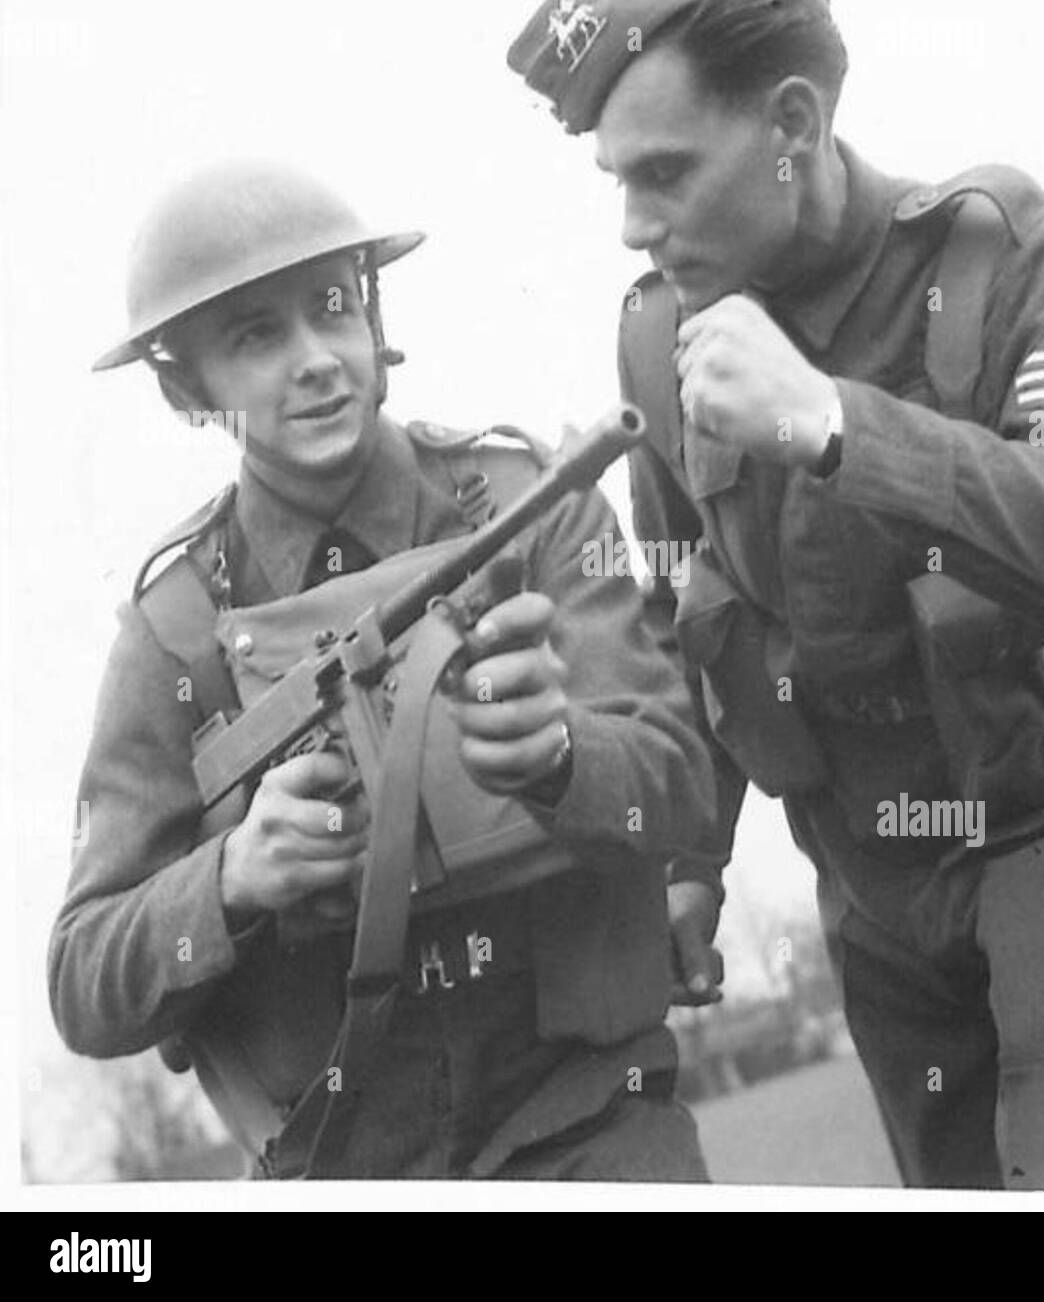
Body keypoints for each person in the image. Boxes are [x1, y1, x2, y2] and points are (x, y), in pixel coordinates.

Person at [507, 0, 1044, 1193]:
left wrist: (839, 428)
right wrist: (692, 868)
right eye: (617, 181)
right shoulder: (660, 341)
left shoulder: (1002, 256)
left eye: (665, 173)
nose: (633, 224)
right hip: (874, 877)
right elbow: (688, 610)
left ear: (793, 121)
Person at [48, 159, 715, 1181]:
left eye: (331, 307)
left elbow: (681, 788)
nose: (316, 359)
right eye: (256, 335)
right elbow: (85, 979)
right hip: (348, 1164)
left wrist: (564, 755)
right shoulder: (175, 631)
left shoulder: (529, 510)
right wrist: (231, 878)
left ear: (374, 313)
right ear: (189, 388)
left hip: (591, 1122)